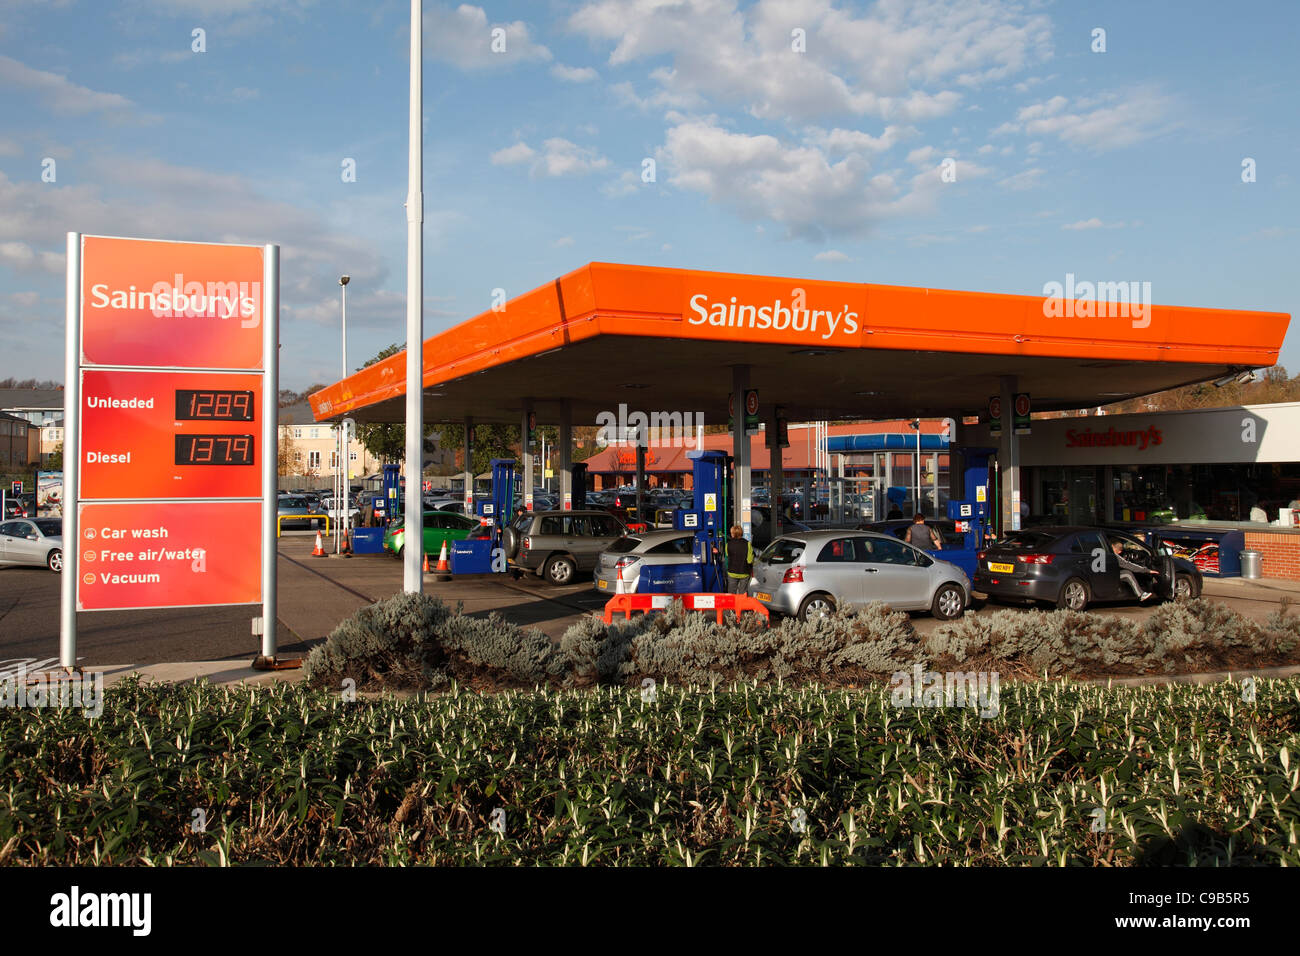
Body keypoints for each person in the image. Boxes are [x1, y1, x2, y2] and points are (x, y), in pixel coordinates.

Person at [723, 524, 753, 594]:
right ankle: (741, 604)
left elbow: (727, 555)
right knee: (742, 594)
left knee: (731, 593)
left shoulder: (728, 544)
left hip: (732, 572)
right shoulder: (747, 544)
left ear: (733, 534)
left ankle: (732, 604)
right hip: (744, 572)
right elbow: (749, 560)